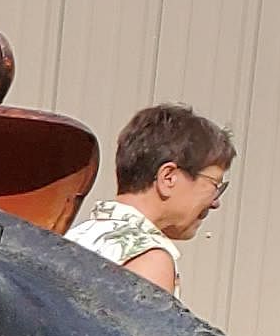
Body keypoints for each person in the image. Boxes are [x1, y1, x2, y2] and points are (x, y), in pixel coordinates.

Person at [65, 103, 235, 290]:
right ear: (168, 178)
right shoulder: (149, 259)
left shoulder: (73, 239)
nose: (215, 202)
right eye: (214, 185)